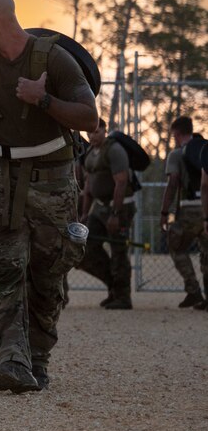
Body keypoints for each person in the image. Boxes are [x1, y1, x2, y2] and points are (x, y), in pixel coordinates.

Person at [0, 0, 98, 394]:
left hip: (52, 182)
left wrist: (44, 100)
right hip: (3, 176)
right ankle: (13, 360)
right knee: (5, 268)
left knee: (46, 275)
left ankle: (38, 358)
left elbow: (89, 117)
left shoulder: (54, 59)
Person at [75, 120, 136, 311]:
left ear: (104, 130)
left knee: (118, 251)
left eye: (96, 131)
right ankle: (113, 286)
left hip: (119, 207)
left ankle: (123, 297)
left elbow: (121, 182)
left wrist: (116, 214)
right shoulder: (90, 153)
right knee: (83, 249)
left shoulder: (114, 150)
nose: (92, 136)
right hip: (99, 208)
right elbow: (88, 186)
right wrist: (84, 213)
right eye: (89, 133)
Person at [160, 116, 206, 309]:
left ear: (177, 134)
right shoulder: (204, 151)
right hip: (206, 207)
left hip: (188, 208)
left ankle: (193, 290)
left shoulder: (177, 154)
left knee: (176, 246)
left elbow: (172, 183)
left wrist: (164, 211)